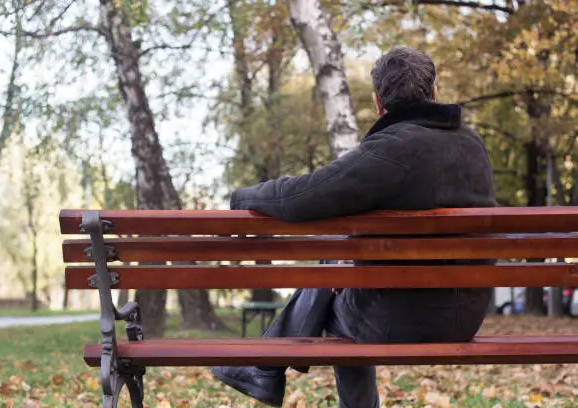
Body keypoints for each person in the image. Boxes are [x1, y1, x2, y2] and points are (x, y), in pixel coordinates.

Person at [211, 46, 496, 408]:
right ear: (434, 91)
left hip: (402, 321)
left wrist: (244, 198)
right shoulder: (474, 145)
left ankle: (266, 367)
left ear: (378, 102)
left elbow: (303, 196)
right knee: (339, 265)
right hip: (467, 316)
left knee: (334, 293)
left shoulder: (391, 149)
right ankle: (264, 367)